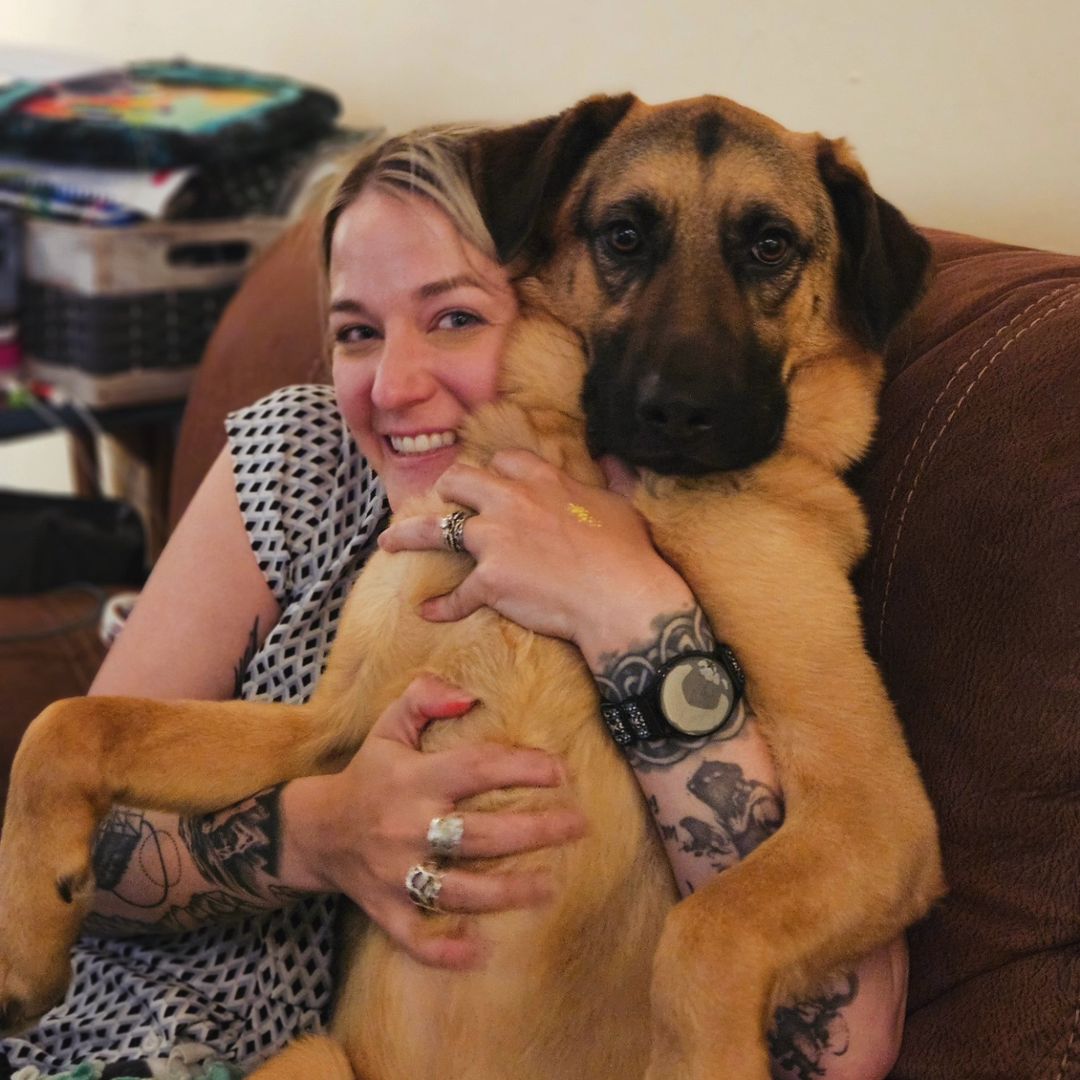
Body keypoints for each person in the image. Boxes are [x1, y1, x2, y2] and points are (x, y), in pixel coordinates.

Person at [0, 123, 908, 1080]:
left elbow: (865, 912)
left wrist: (629, 605)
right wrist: (315, 830)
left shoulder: (753, 530)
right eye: (354, 330)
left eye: (456, 318)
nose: (397, 384)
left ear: (532, 295)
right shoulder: (342, 469)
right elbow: (318, 736)